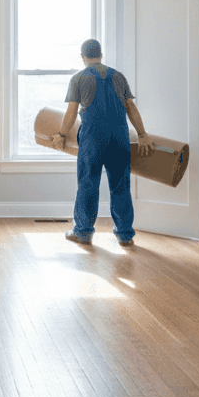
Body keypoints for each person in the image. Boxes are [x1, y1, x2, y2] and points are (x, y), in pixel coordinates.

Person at [51, 39, 154, 246]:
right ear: (101, 55)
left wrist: (61, 135)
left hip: (93, 139)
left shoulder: (78, 78)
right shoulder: (118, 76)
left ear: (83, 57)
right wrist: (143, 134)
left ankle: (83, 232)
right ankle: (125, 235)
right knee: (120, 185)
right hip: (119, 138)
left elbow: (71, 112)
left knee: (88, 184)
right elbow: (130, 107)